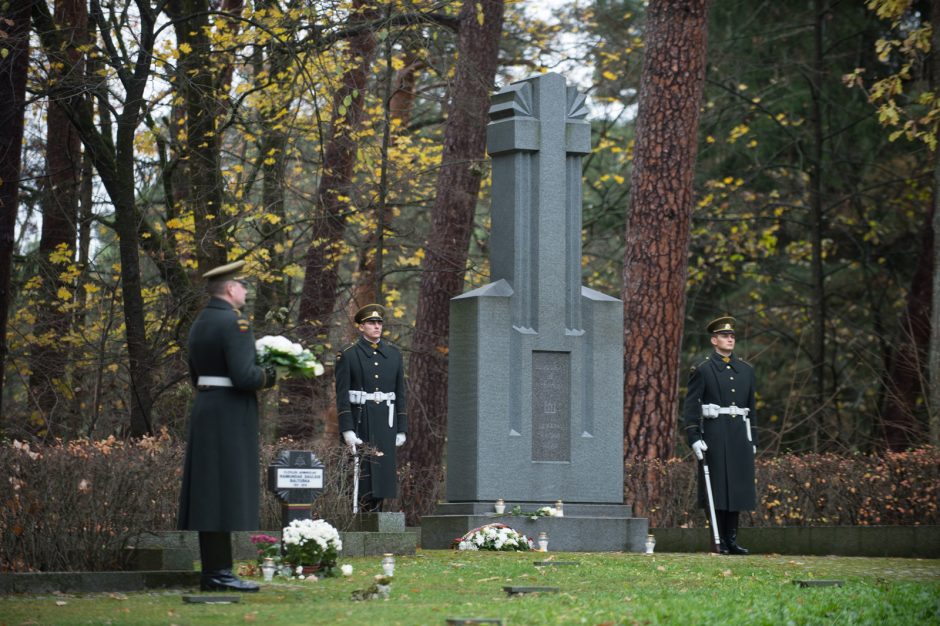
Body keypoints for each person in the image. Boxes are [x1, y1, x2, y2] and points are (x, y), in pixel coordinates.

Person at [178, 260, 277, 592]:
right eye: (243, 285)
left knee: (210, 493)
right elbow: (245, 376)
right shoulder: (236, 324)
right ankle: (219, 573)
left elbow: (195, 374)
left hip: (206, 408)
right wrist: (272, 373)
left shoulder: (201, 322)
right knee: (223, 492)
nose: (246, 291)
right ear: (231, 289)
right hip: (230, 414)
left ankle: (214, 572)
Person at [682, 315, 757, 555]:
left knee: (736, 489)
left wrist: (752, 439)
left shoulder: (746, 371)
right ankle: (718, 541)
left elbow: (751, 408)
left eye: (732, 336)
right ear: (714, 340)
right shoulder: (703, 370)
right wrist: (694, 437)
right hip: (714, 435)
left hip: (738, 436)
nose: (730, 339)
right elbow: (691, 407)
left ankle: (731, 540)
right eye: (725, 336)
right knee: (717, 488)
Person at [334, 304, 407, 512]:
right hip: (360, 420)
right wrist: (346, 429)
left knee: (383, 475)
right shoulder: (348, 354)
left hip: (386, 422)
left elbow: (400, 393)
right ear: (361, 327)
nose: (376, 327)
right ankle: (361, 519)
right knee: (362, 476)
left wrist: (402, 428)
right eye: (371, 323)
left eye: (379, 323)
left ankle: (377, 515)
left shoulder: (394, 355)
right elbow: (342, 395)